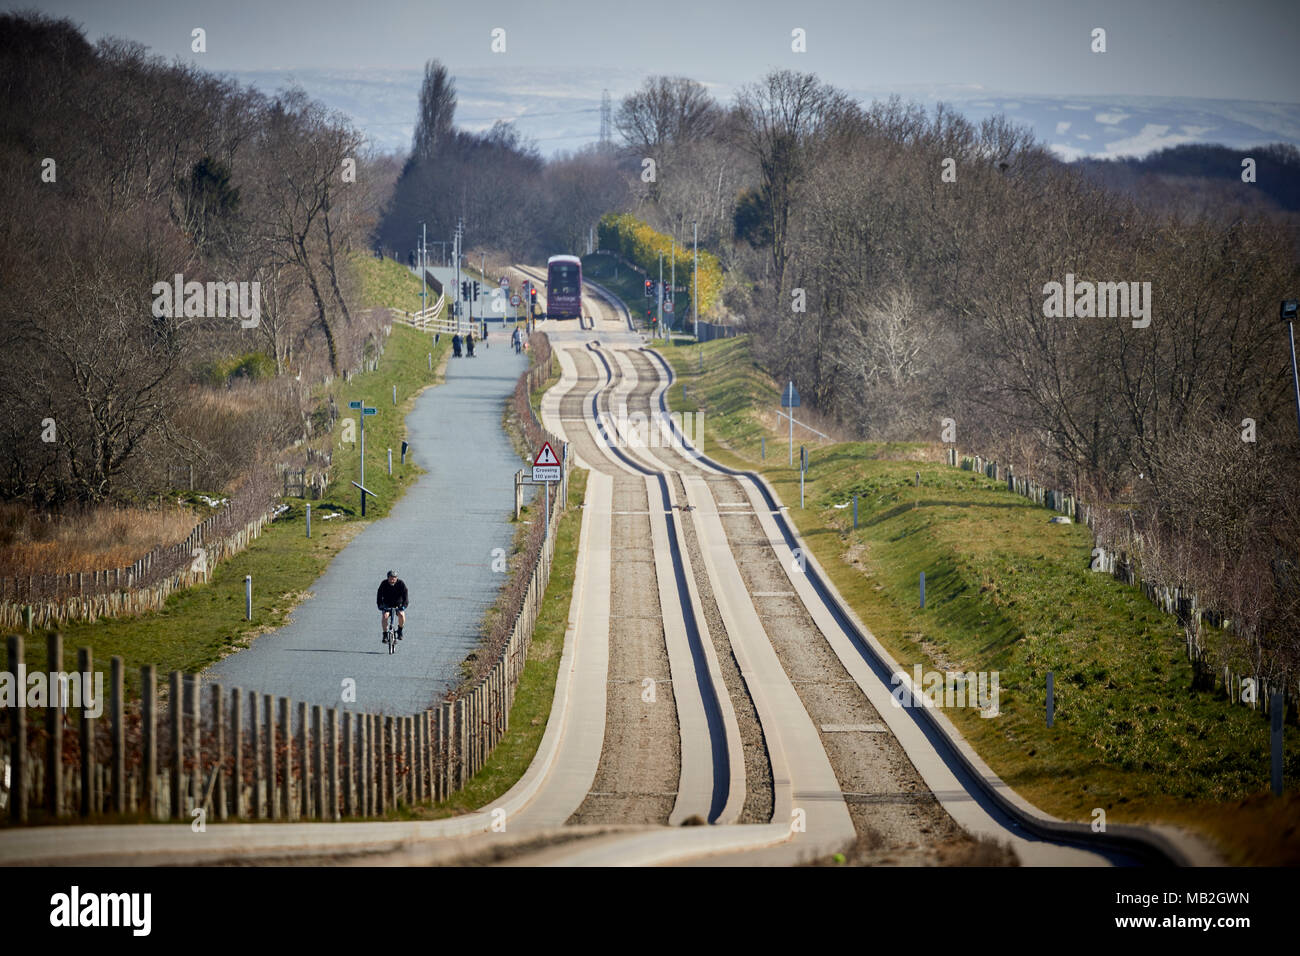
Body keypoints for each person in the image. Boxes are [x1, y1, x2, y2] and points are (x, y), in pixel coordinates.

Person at [376, 570, 408, 643]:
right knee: (385, 616)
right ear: (388, 578)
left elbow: (405, 596)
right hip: (387, 605)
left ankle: (400, 630)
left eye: (394, 578)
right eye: (391, 577)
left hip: (398, 605)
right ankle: (385, 634)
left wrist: (404, 606)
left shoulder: (401, 584)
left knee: (401, 615)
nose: (392, 579)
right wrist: (380, 605)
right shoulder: (384, 584)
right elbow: (379, 595)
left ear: (397, 578)